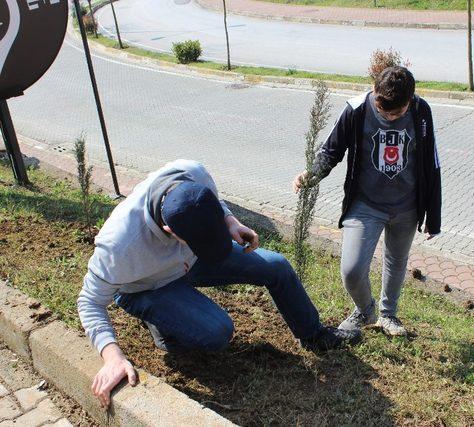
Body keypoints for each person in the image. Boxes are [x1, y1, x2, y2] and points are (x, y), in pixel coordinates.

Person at [78, 159, 360, 408]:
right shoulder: (120, 246)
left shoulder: (192, 172)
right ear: (170, 231)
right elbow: (89, 302)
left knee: (276, 266)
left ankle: (312, 334)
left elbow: (214, 203)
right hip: (148, 285)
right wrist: (112, 357)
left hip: (190, 259)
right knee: (217, 332)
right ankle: (162, 324)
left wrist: (230, 222)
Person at [293, 66, 442, 337]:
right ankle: (364, 309)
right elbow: (332, 149)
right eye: (383, 110)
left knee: (396, 260)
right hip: (365, 205)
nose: (389, 116)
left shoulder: (421, 111)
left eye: (396, 113)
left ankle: (388, 314)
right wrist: (312, 174)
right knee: (351, 269)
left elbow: (431, 163)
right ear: (374, 92)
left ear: (410, 100)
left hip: (407, 206)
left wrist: (433, 216)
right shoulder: (357, 108)